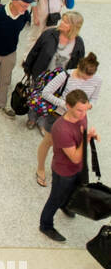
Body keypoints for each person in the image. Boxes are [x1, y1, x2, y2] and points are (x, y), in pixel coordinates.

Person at [39, 90, 98, 242]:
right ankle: (45, 225)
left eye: (85, 110)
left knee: (72, 190)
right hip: (63, 171)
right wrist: (87, 138)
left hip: (78, 167)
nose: (83, 114)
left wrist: (88, 135)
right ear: (68, 106)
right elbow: (75, 157)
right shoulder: (61, 129)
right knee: (55, 198)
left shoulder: (82, 114)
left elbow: (82, 132)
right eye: (79, 110)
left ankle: (65, 205)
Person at [35, 53, 100, 186]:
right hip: (58, 115)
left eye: (89, 78)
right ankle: (40, 168)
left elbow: (94, 98)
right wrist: (66, 105)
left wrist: (89, 105)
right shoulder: (65, 76)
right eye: (83, 77)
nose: (86, 80)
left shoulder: (97, 80)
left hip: (79, 118)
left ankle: (59, 172)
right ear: (78, 68)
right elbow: (46, 93)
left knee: (70, 147)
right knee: (49, 142)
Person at [23, 11, 86, 138]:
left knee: (50, 102)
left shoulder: (78, 43)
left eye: (66, 21)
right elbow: (35, 51)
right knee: (36, 97)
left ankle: (42, 123)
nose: (61, 22)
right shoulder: (48, 34)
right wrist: (28, 68)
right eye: (62, 19)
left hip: (60, 81)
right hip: (41, 75)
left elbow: (79, 64)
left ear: (73, 27)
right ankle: (32, 118)